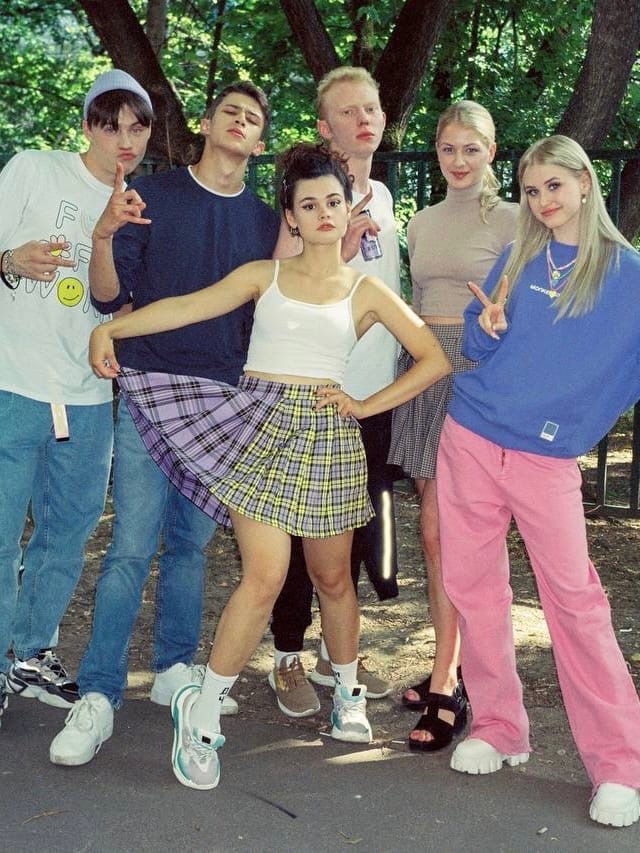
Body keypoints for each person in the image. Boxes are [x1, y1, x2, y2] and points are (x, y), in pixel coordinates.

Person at [83, 143, 451, 790]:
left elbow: (433, 357)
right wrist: (110, 329)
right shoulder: (264, 275)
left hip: (329, 435)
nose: (324, 213)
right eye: (309, 204)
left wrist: (366, 404)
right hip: (260, 425)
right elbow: (187, 306)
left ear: (347, 208)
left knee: (333, 577)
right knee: (264, 575)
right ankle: (201, 716)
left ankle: (347, 695)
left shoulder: (366, 290)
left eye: (333, 201)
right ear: (292, 216)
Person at [49, 81, 280, 765]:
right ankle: (98, 694)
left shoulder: (267, 222)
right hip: (149, 389)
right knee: (130, 547)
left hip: (223, 400)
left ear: (260, 143)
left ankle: (175, 668)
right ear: (205, 123)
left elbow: (289, 304)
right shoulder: (151, 195)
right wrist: (103, 234)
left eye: (253, 119)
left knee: (190, 547)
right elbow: (109, 296)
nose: (240, 122)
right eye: (230, 111)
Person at [437, 134, 640, 828]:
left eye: (554, 185)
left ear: (585, 182)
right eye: (531, 190)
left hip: (545, 458)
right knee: (474, 589)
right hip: (471, 434)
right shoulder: (520, 254)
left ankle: (619, 764)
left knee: (575, 605)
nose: (543, 200)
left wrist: (581, 420)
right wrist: (489, 328)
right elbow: (476, 338)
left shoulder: (628, 274)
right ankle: (499, 728)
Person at [0, 70, 153, 726]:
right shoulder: (34, 168)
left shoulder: (140, 205)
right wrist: (9, 259)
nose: (125, 140)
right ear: (87, 126)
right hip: (13, 383)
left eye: (137, 127)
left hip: (89, 397)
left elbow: (132, 302)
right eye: (110, 126)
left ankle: (32, 651)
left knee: (66, 535)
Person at [269, 67, 402, 718]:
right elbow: (278, 288)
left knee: (350, 531)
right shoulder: (310, 198)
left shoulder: (385, 196)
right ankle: (286, 654)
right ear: (325, 127)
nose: (363, 120)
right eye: (348, 112)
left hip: (373, 397)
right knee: (298, 533)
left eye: (370, 108)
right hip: (315, 396)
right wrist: (341, 246)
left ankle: (334, 654)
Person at [388, 101, 518, 751]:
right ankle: (453, 661)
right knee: (436, 532)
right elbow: (416, 305)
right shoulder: (422, 222)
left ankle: (448, 680)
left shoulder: (516, 219)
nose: (458, 160)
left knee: (452, 531)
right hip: (427, 370)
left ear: (491, 151)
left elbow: (523, 311)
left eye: (471, 148)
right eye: (447, 148)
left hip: (477, 372)